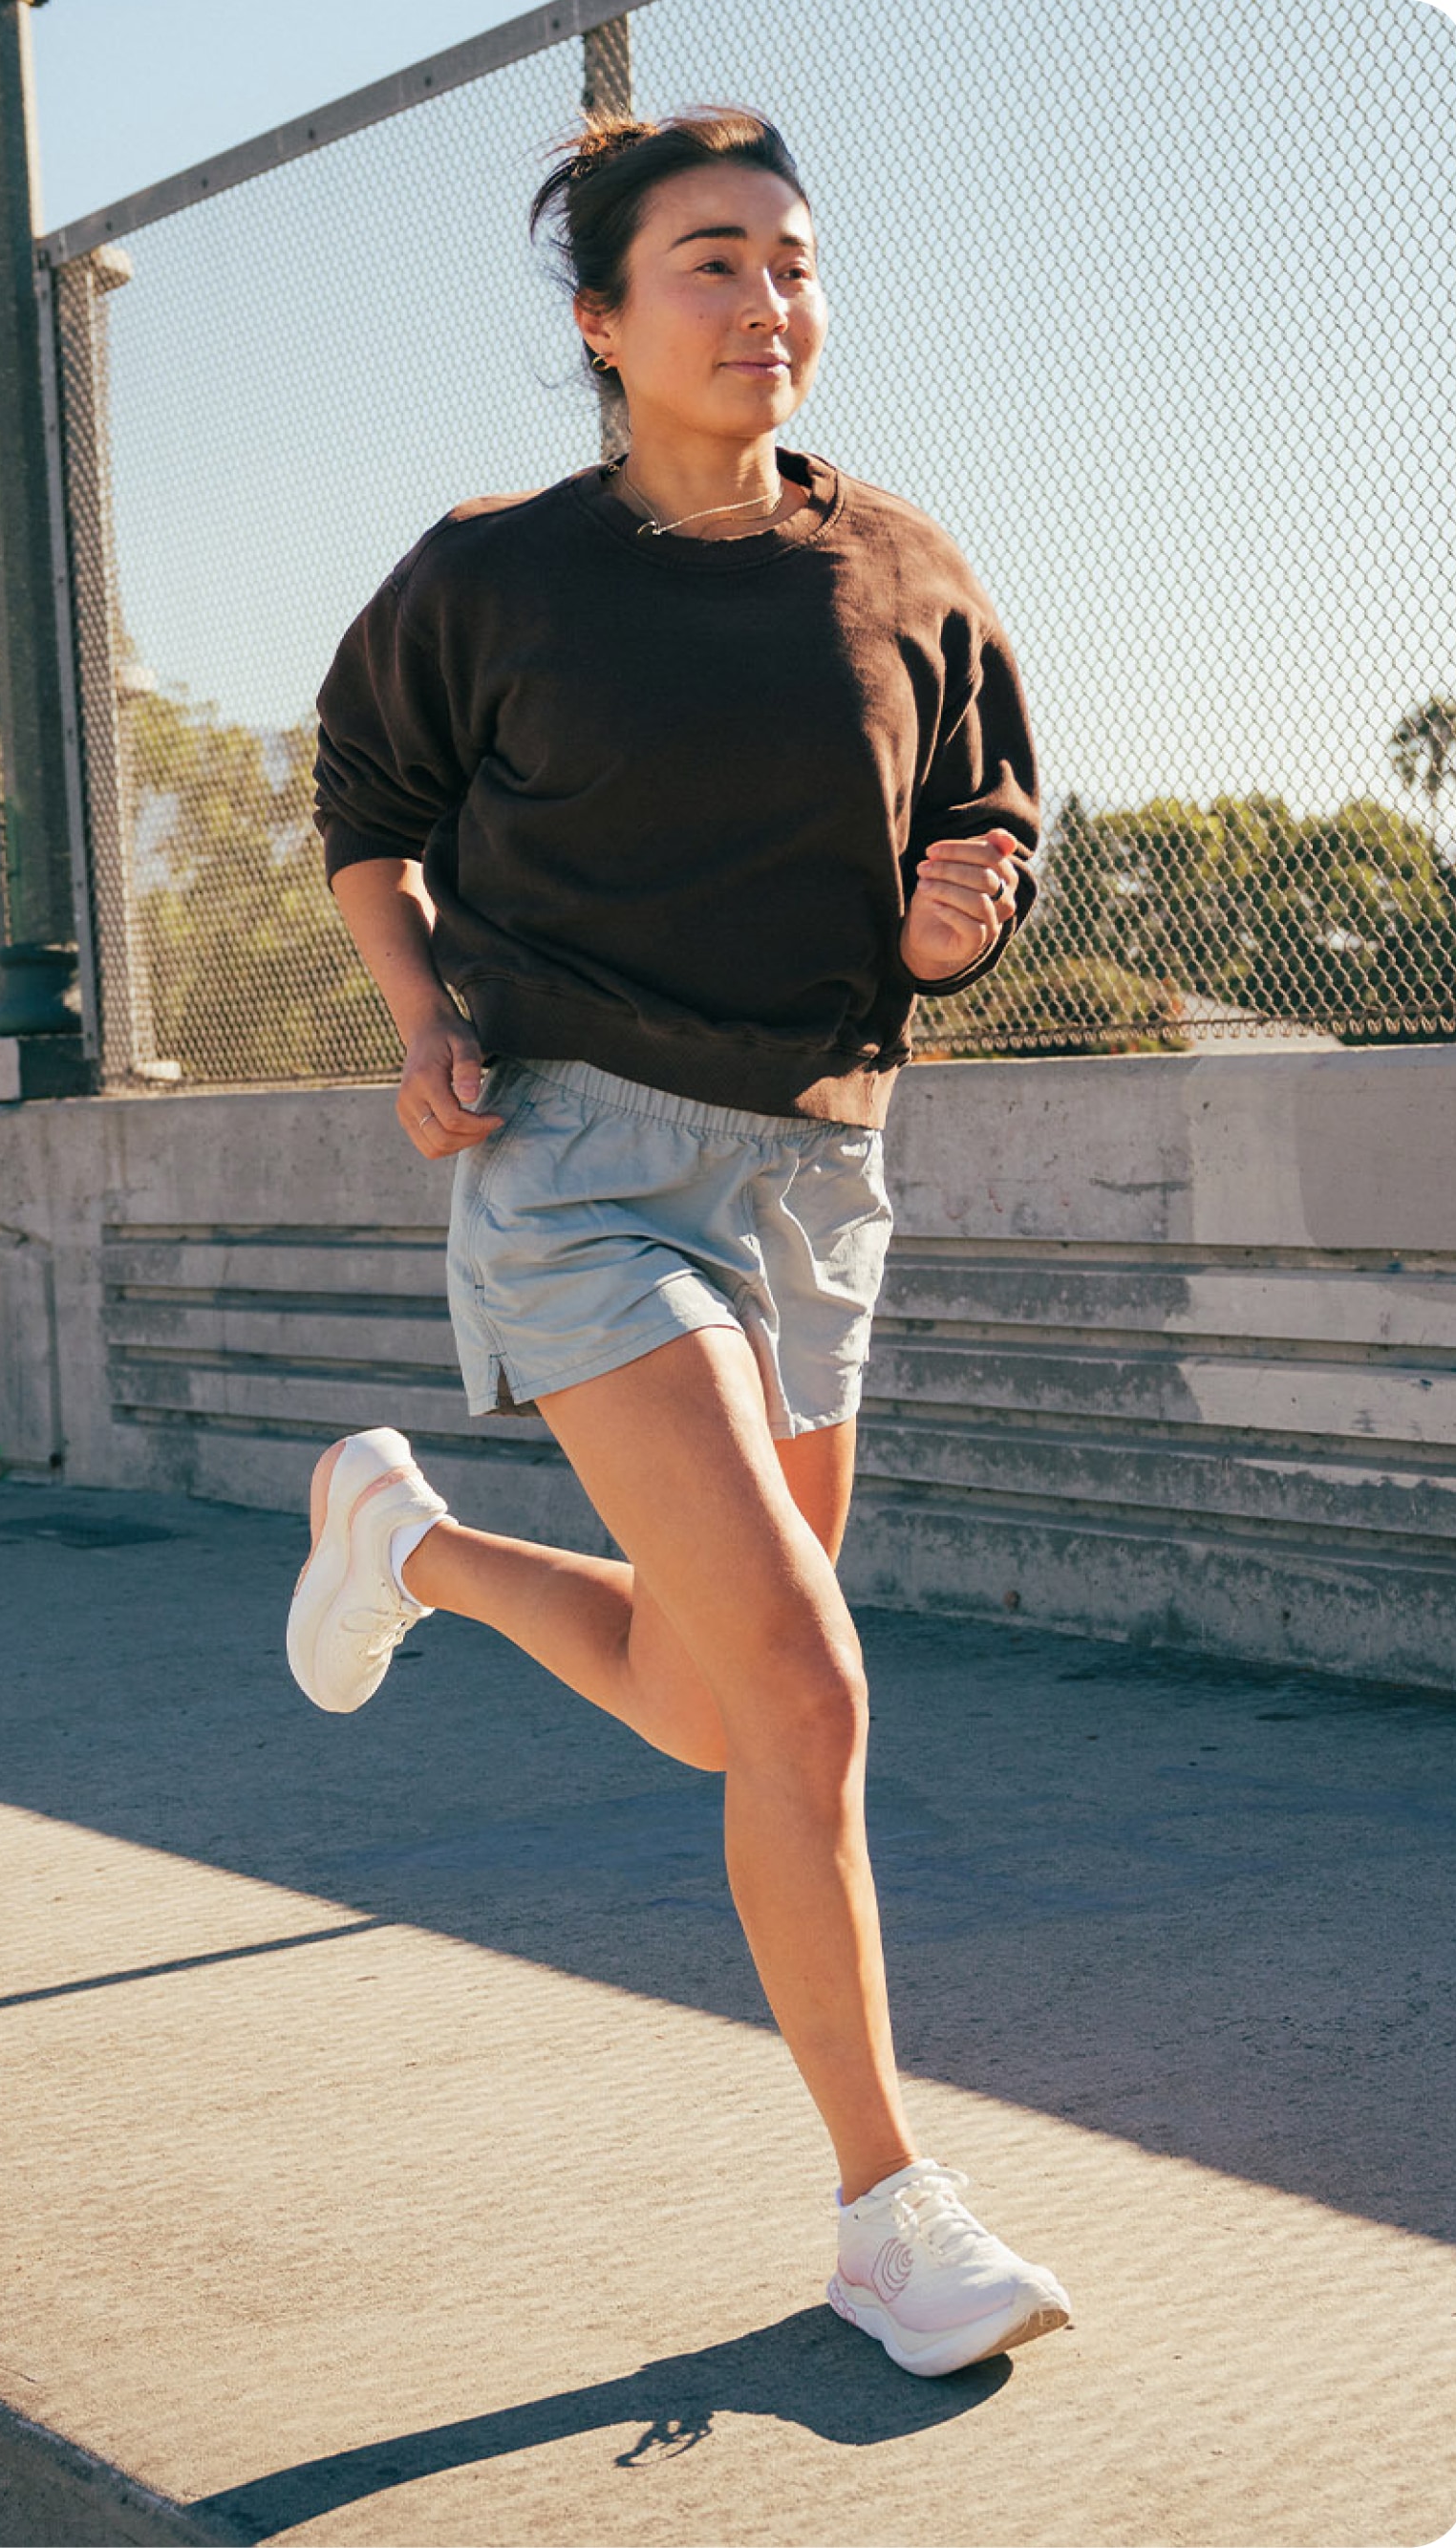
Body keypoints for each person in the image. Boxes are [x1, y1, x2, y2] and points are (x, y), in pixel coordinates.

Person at [286, 103, 1071, 2381]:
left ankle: (405, 1543)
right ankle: (885, 2209)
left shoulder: (908, 566)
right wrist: (424, 1018)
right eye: (710, 264)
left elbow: (983, 826)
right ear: (602, 324)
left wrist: (963, 918)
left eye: (792, 263)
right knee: (811, 1692)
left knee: (728, 1700)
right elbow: (369, 810)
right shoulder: (496, 571)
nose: (764, 305)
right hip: (581, 1164)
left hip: (817, 1168)